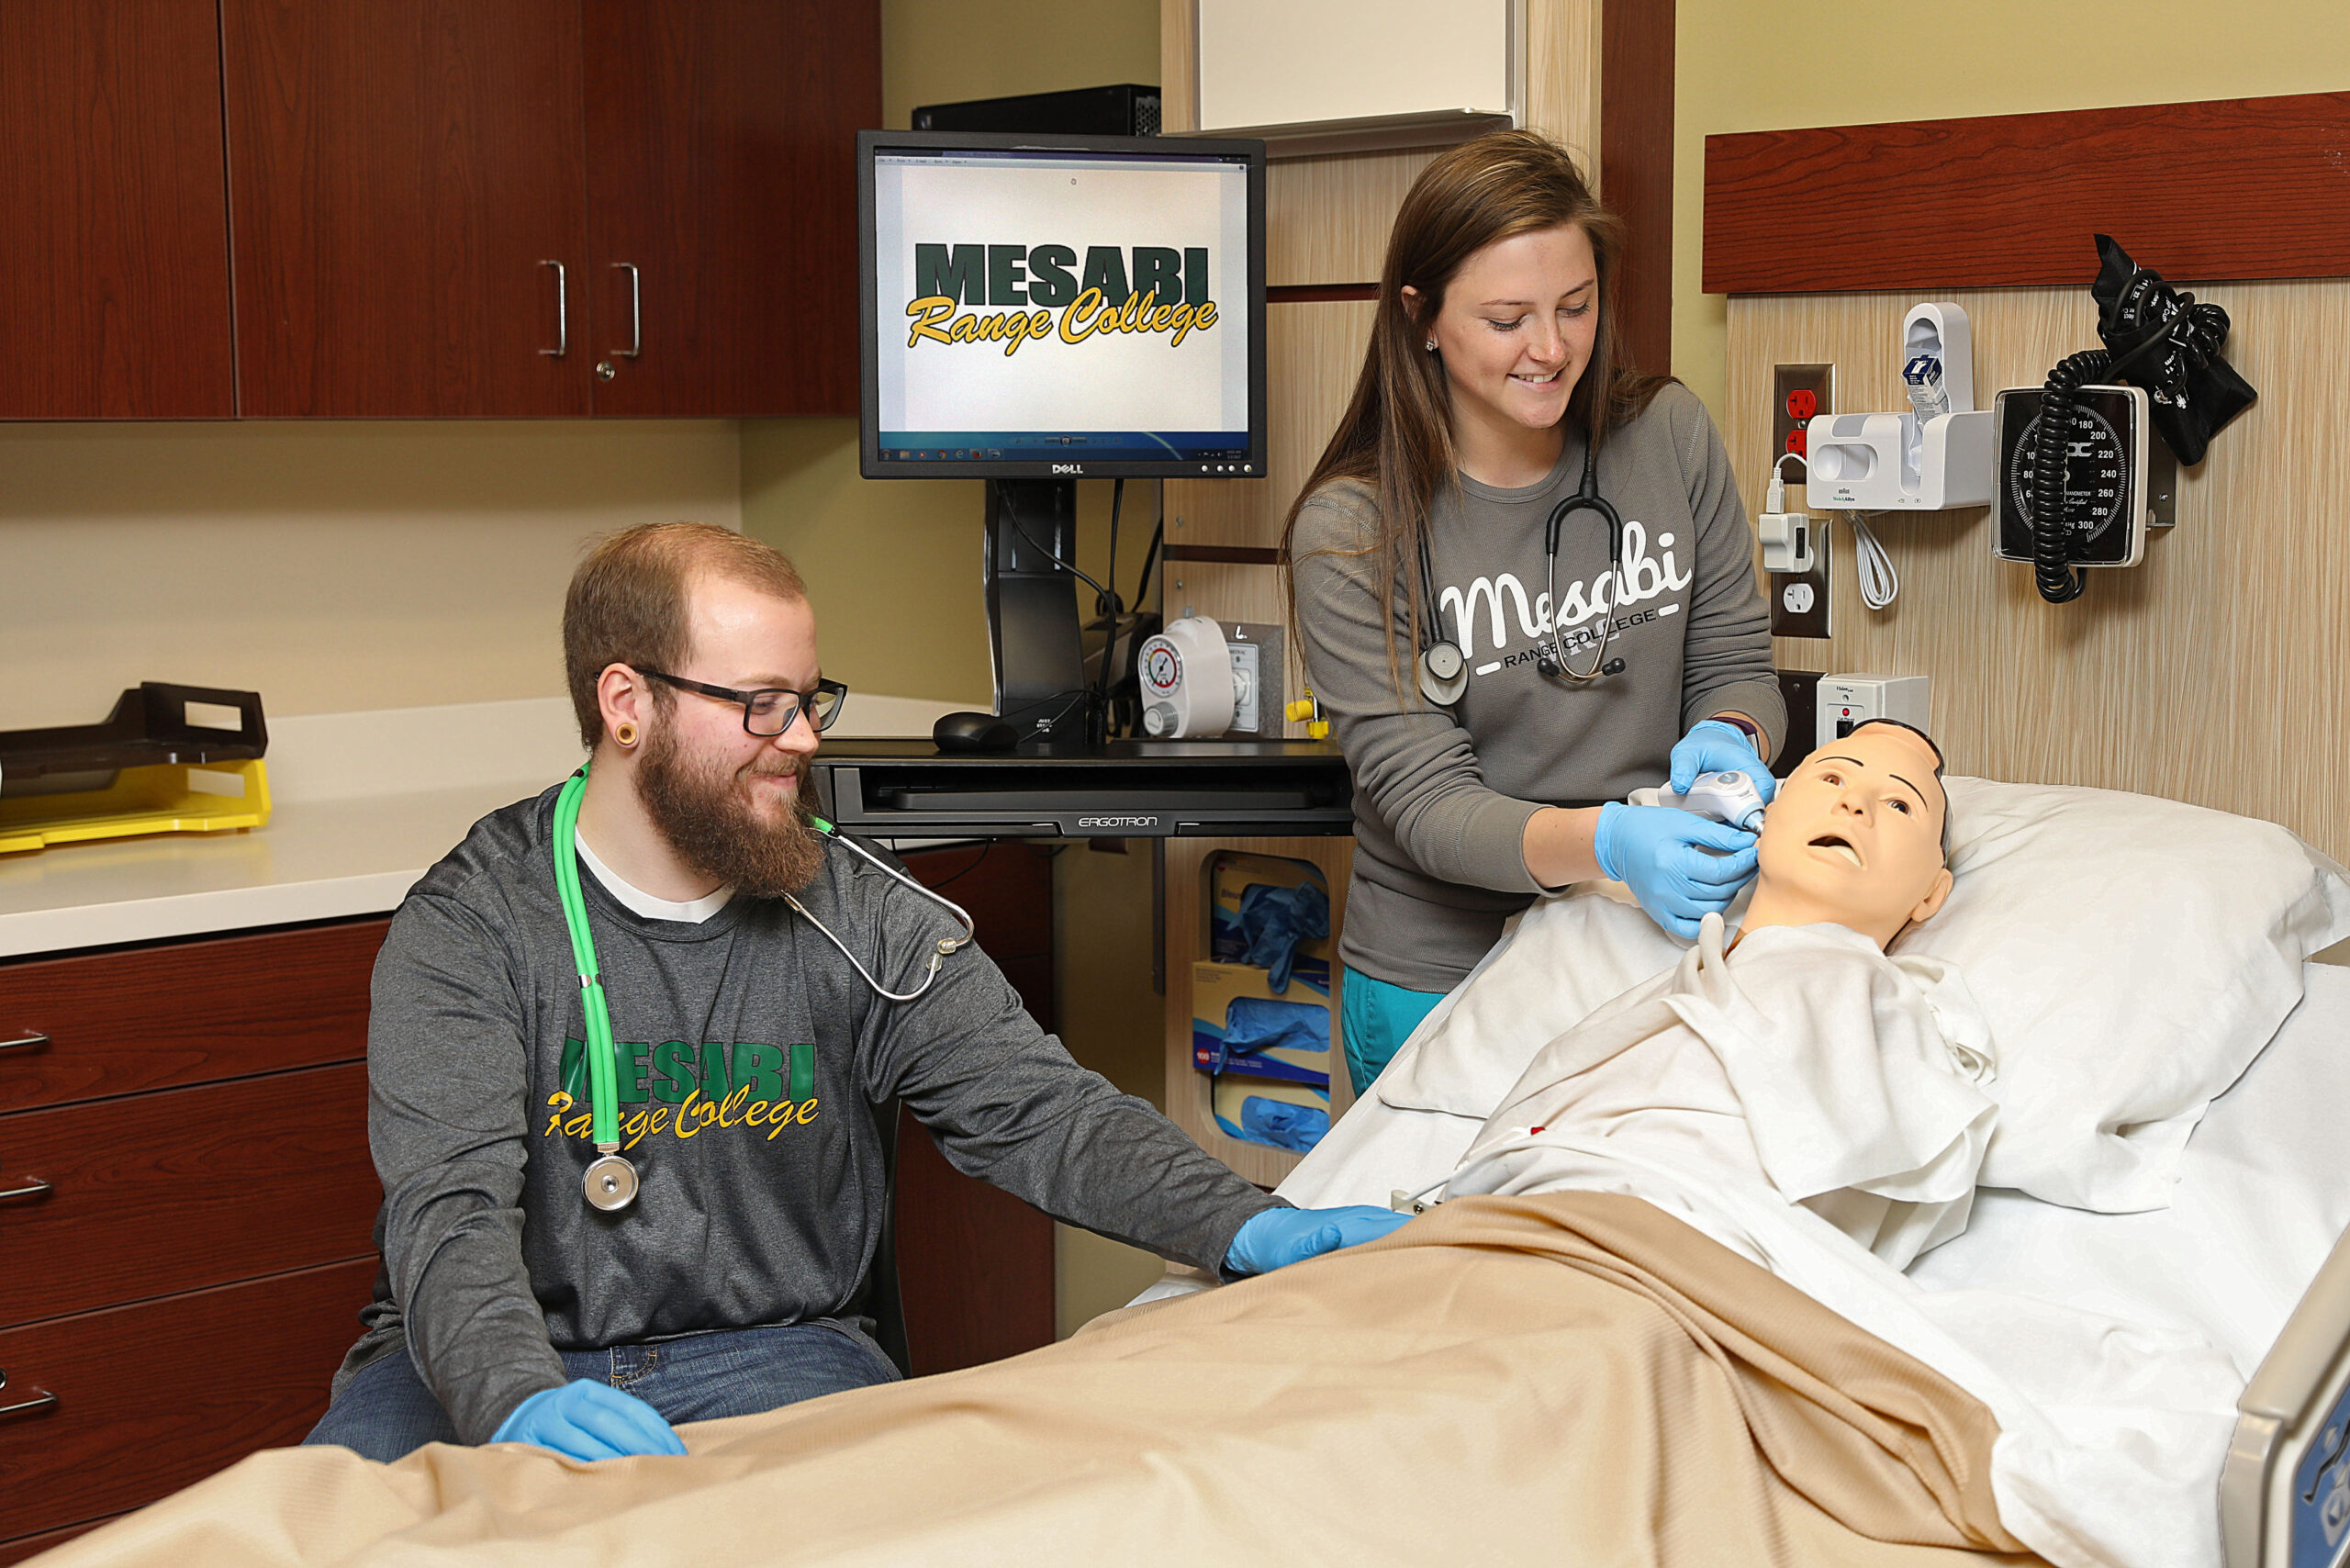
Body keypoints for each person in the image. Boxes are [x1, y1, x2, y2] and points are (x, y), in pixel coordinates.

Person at [305, 522, 1405, 1464]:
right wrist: (513, 1398)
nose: (805, 740)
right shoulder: (473, 924)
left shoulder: (858, 909)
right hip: (477, 1359)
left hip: (769, 1349)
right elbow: (448, 1213)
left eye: (810, 699)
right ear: (626, 702)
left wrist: (1247, 1225)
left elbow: (1040, 1111)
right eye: (761, 705)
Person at [1284, 129, 1785, 1095]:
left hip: (1642, 953)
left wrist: (1730, 733)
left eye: (1575, 305)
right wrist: (1606, 842)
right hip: (1444, 984)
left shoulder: (1665, 435)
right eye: (1508, 319)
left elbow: (1735, 661)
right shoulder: (1351, 533)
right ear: (1421, 317)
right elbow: (1429, 810)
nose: (1551, 349)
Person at [1451, 719, 1990, 1270]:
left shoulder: (1886, 1011)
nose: (1855, 805)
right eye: (1831, 779)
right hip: (1505, 1242)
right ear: (1767, 816)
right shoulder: (1671, 988)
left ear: (1932, 893)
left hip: (1657, 1266)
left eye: (1901, 805)